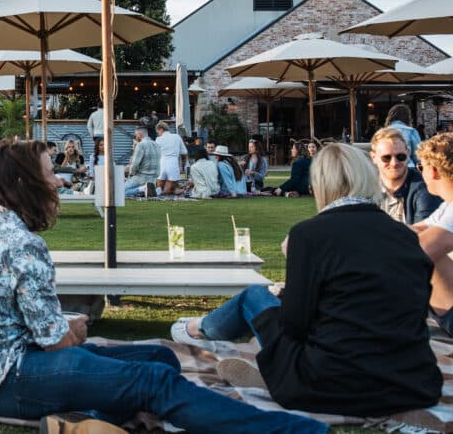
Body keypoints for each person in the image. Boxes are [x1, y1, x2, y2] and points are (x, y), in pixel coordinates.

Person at [0, 138, 324, 433]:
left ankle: (80, 425)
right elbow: (56, 342)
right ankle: (293, 431)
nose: (59, 182)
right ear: (27, 185)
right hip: (14, 377)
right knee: (155, 382)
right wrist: (73, 332)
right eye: (50, 173)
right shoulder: (25, 245)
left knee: (159, 359)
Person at [172, 143, 441, 417]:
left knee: (255, 296)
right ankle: (204, 330)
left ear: (319, 184)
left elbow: (295, 325)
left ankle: (197, 329)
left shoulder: (308, 235)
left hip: (329, 384)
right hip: (411, 385)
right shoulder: (404, 235)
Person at [412, 133, 453, 336]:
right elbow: (413, 230)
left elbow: (422, 250)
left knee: (423, 254)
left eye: (421, 167)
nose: (421, 173)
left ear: (434, 171)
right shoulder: (447, 206)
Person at [371, 127, 441, 224]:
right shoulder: (366, 188)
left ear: (408, 154)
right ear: (373, 157)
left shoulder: (424, 188)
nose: (394, 163)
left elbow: (424, 234)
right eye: (386, 158)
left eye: (400, 157)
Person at [123, 127, 159, 198]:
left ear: (140, 134)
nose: (136, 137)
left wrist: (131, 173)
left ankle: (142, 189)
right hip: (153, 178)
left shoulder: (141, 145)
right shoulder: (156, 145)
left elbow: (134, 164)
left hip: (141, 177)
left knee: (119, 191)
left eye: (136, 135)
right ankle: (147, 190)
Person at [154, 121, 188, 196]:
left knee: (160, 187)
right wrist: (183, 166)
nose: (158, 134)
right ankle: (179, 189)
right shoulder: (177, 137)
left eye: (158, 132)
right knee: (168, 190)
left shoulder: (158, 139)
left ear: (161, 129)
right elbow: (184, 153)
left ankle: (173, 190)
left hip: (161, 163)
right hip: (173, 162)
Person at [387, 102, 422, 167]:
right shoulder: (411, 131)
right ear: (407, 117)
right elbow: (418, 155)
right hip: (407, 167)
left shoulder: (383, 132)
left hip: (388, 168)